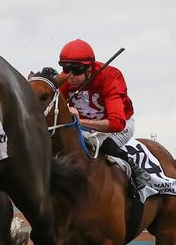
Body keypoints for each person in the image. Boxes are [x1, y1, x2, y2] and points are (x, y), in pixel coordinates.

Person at [58, 39, 150, 189]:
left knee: (98, 142)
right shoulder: (66, 80)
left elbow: (116, 123)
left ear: (89, 69)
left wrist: (80, 122)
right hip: (86, 129)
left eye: (76, 70)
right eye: (66, 69)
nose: (70, 76)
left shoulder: (110, 76)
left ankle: (134, 169)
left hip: (119, 126)